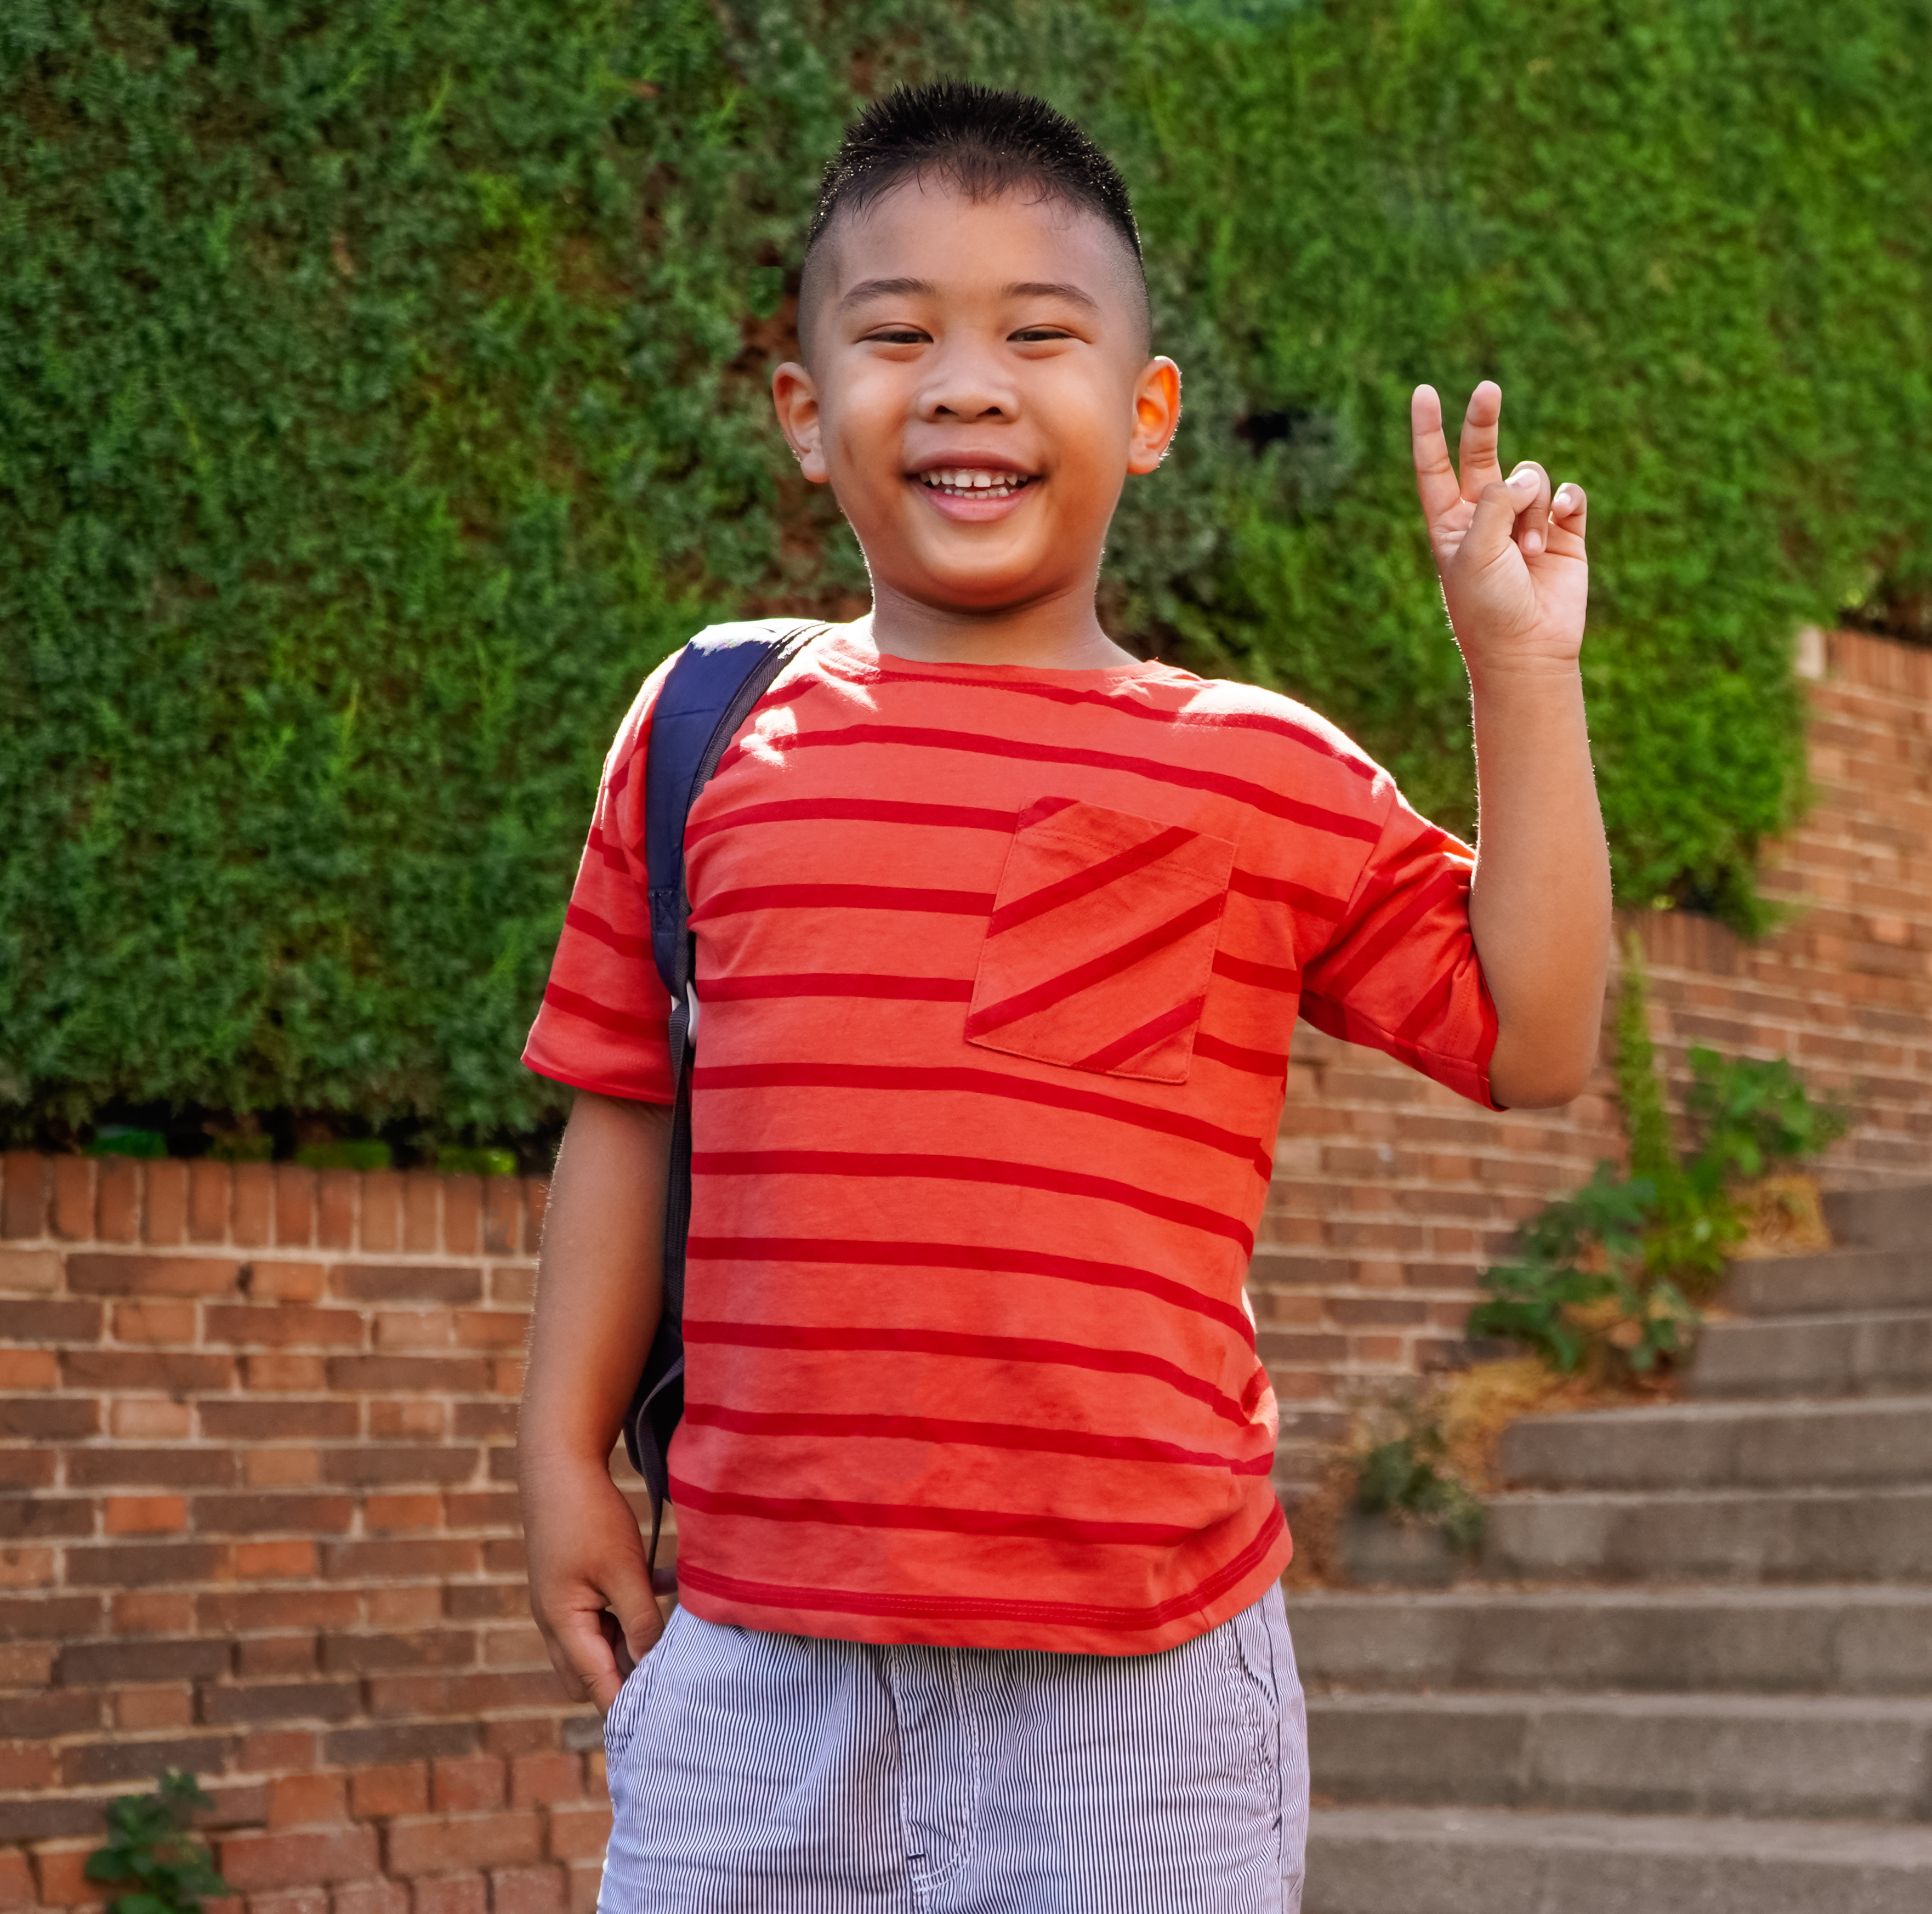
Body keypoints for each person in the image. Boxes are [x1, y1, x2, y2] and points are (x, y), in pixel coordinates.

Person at [514, 79, 1609, 1913]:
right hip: (756, 1682)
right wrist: (558, 1452)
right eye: (896, 336)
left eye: (1038, 334)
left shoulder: (1255, 768)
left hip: (1144, 1709)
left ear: (1147, 410)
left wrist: (1515, 665)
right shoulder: (705, 730)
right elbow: (625, 1108)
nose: (965, 385)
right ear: (804, 415)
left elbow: (1539, 1036)